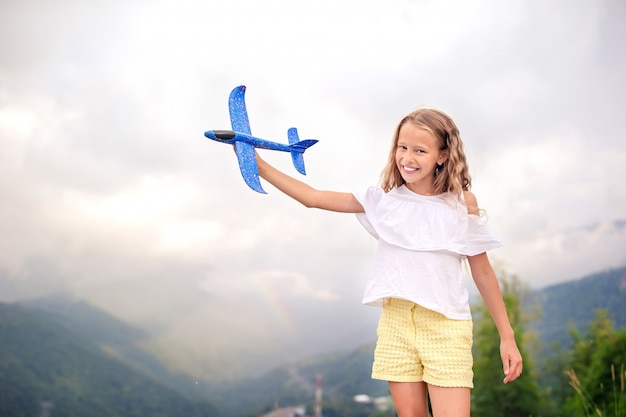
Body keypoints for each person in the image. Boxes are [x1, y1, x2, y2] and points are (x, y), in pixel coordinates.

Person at [254, 108, 523, 417]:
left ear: (443, 155)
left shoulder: (462, 204)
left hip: (446, 326)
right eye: (402, 147)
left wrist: (507, 337)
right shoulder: (382, 201)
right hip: (396, 323)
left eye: (420, 150)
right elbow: (312, 197)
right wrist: (259, 165)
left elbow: (483, 273)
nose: (407, 157)